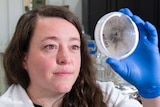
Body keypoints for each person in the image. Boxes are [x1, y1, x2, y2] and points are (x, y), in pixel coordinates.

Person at [0, 5, 160, 107]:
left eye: (74, 46)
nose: (66, 58)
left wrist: (151, 92)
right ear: (23, 58)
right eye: (50, 46)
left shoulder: (105, 97)